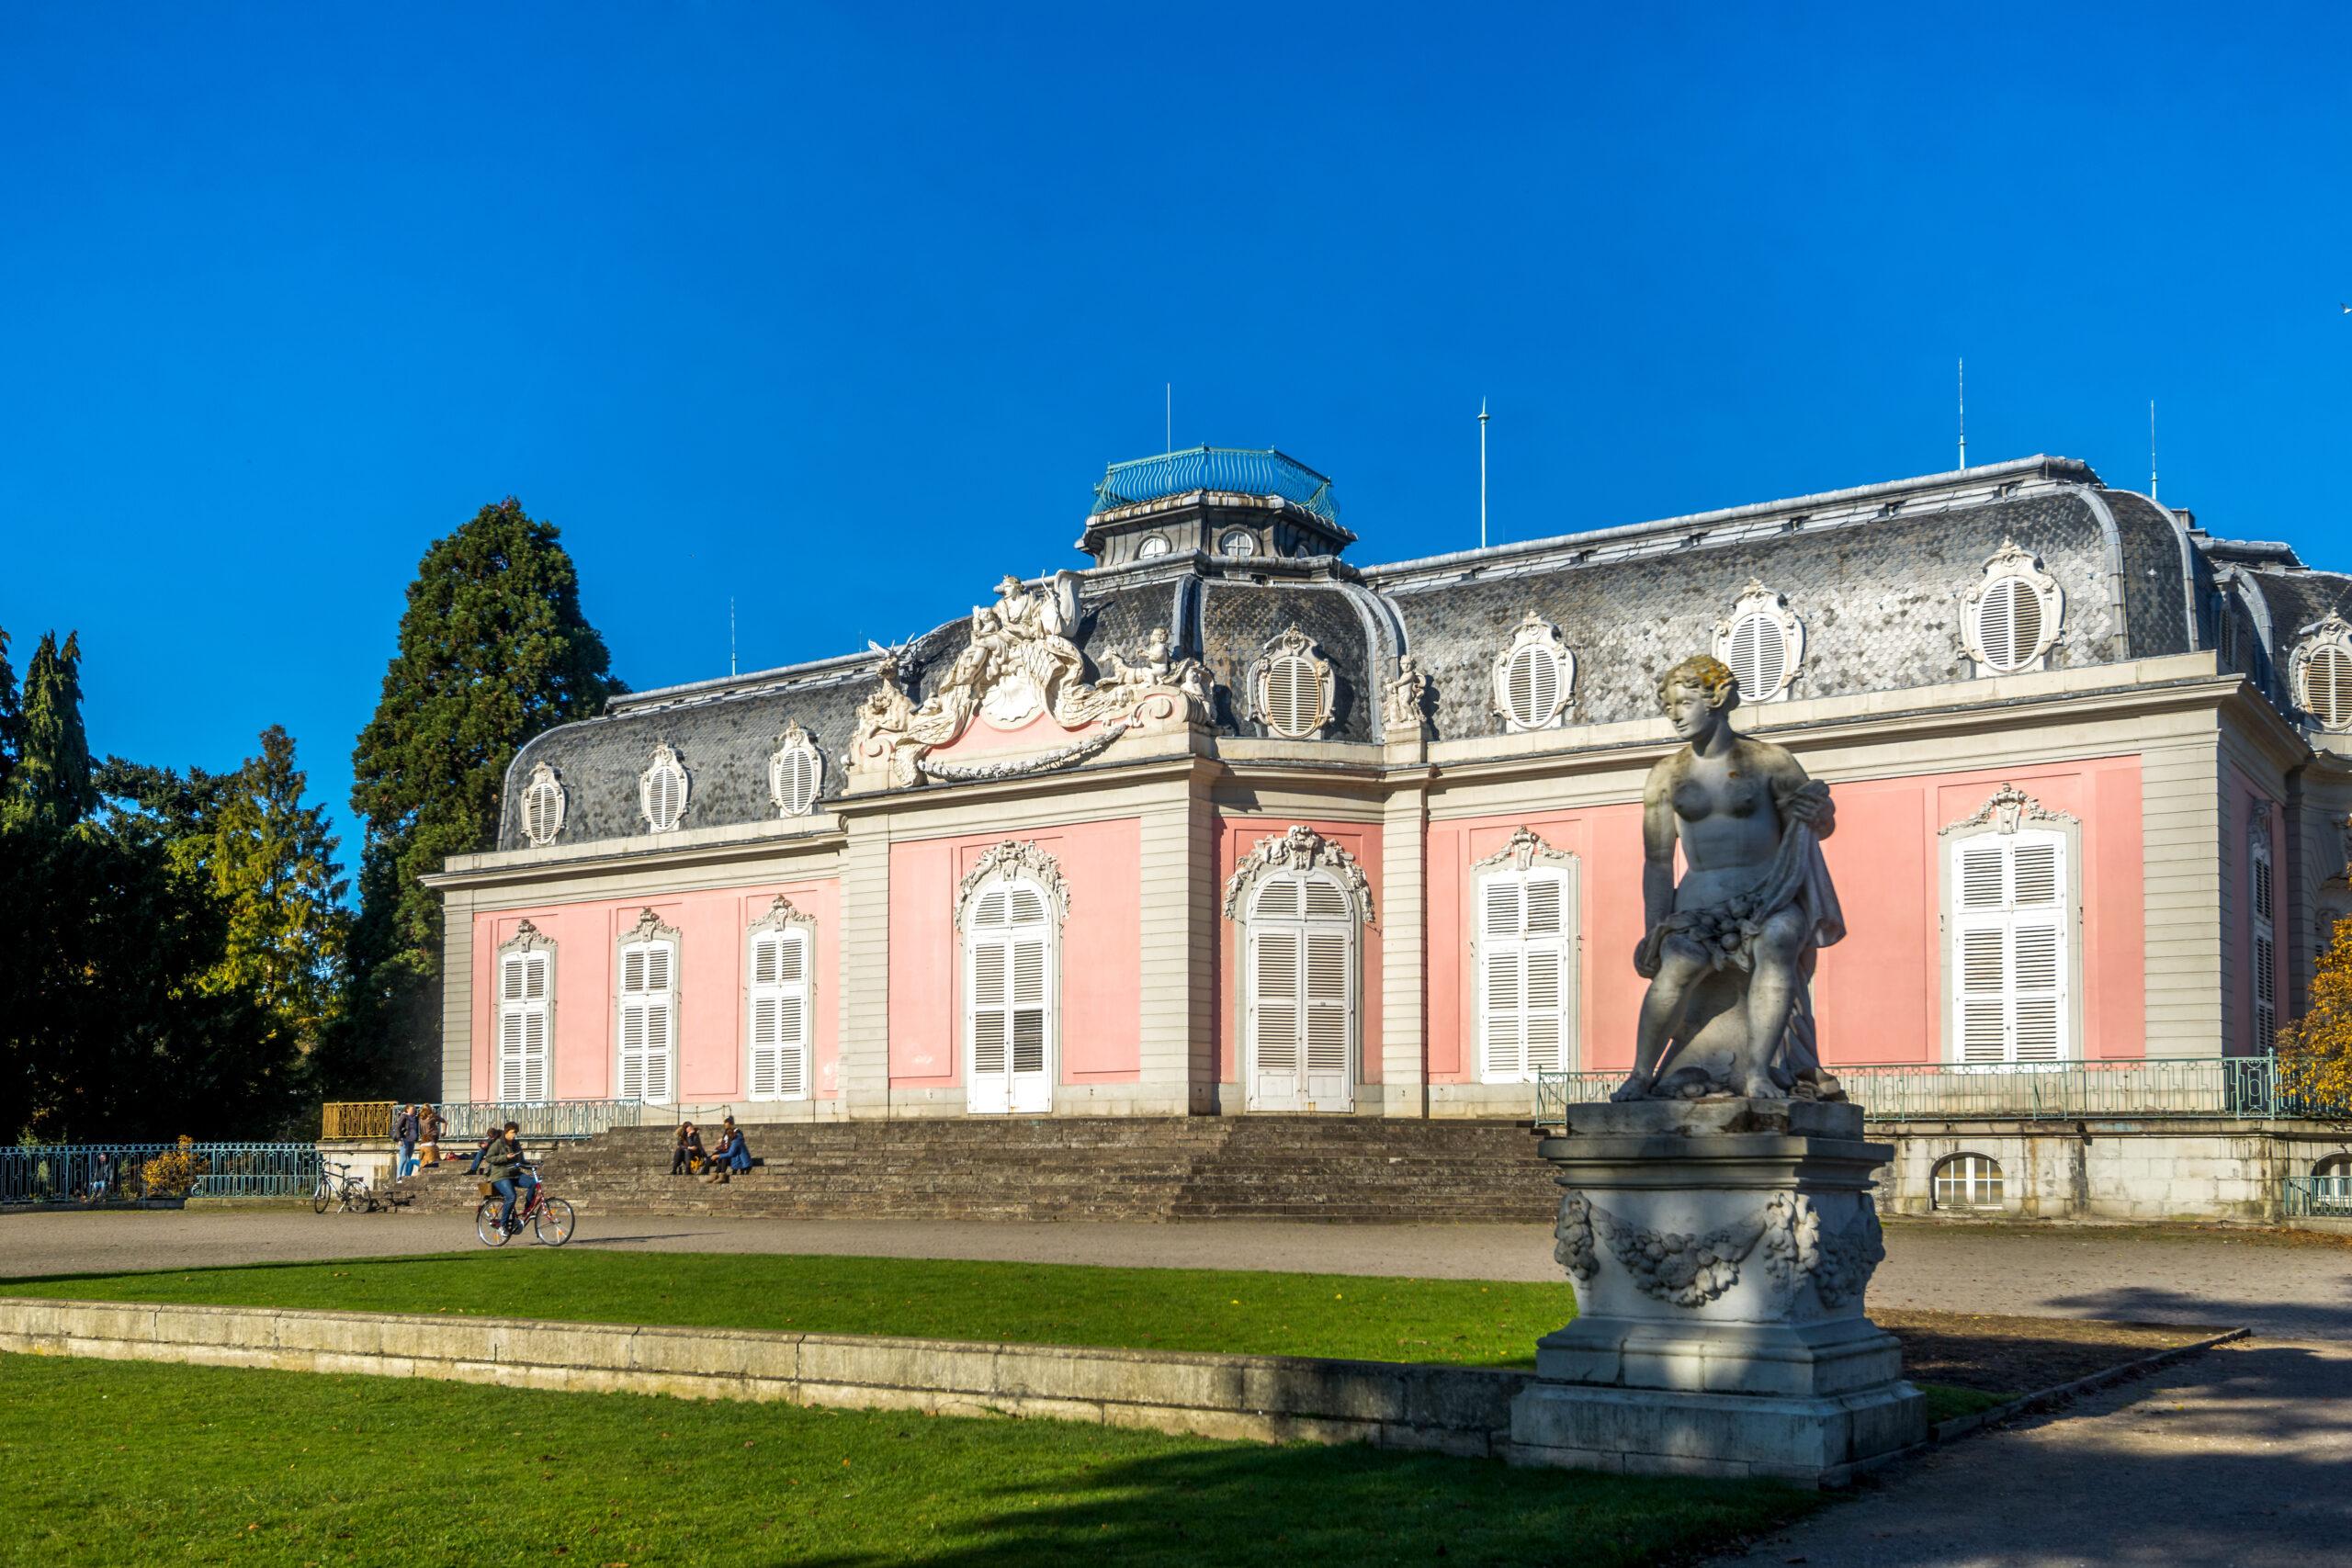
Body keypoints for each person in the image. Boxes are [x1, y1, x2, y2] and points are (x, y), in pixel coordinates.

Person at [1615, 653, 1845, 1103]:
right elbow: (1658, 861)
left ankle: (1758, 1071)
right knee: (1677, 962)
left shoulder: (1769, 762)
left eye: (1685, 702)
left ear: (1717, 698)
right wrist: (1653, 930)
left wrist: (1821, 813)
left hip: (1768, 898)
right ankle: (1641, 1073)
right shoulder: (1666, 776)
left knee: (1777, 940)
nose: (1676, 715)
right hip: (1698, 904)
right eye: (1670, 707)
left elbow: (1815, 825)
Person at [481, 1122, 537, 1233]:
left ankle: (528, 1209)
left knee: (533, 1182)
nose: (514, 1135)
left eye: (516, 1133)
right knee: (511, 1196)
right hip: (500, 1175)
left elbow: (522, 1161)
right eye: (512, 1132)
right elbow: (489, 1158)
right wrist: (505, 1157)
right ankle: (503, 1225)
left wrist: (533, 1165)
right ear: (506, 1132)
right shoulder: (498, 1143)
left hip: (515, 1174)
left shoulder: (516, 1144)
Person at [704, 1118, 753, 1184]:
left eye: (727, 1126)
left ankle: (722, 1176)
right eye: (725, 1126)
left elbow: (731, 1153)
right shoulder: (730, 1134)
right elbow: (726, 1145)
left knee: (723, 1157)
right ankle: (715, 1175)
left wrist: (718, 1156)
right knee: (717, 1157)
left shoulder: (736, 1139)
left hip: (739, 1159)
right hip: (731, 1154)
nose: (726, 1127)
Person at [394, 1104, 421, 1179]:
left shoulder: (414, 1118)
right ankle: (398, 1176)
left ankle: (405, 1175)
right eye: (412, 1109)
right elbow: (398, 1127)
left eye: (414, 1109)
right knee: (403, 1158)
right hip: (404, 1139)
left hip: (411, 1140)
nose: (414, 1111)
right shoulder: (404, 1116)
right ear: (407, 1109)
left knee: (408, 1159)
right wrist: (399, 1139)